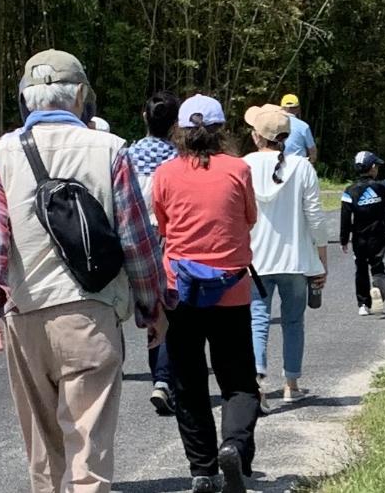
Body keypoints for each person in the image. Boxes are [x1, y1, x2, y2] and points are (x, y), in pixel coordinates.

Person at [0, 50, 167, 493]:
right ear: (81, 95)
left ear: (25, 98)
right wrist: (151, 307)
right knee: (88, 454)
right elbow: (136, 240)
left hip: (25, 313)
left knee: (44, 453)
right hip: (91, 315)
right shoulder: (113, 149)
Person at [152, 93, 261, 493]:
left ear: (179, 131)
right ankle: (233, 446)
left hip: (181, 291)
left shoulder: (165, 173)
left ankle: (202, 469)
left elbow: (162, 227)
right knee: (239, 382)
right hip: (230, 290)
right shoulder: (239, 169)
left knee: (188, 381)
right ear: (221, 131)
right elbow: (249, 217)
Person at [245, 104, 330, 411]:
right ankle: (291, 385)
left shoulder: (243, 166)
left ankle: (257, 387)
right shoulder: (302, 167)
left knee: (257, 321)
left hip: (255, 260)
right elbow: (316, 218)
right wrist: (321, 257)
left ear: (257, 137)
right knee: (294, 321)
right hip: (295, 260)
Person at [129, 91, 182, 415]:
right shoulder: (178, 160)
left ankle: (158, 380)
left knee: (150, 311)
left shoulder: (128, 154)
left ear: (144, 116)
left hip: (135, 240)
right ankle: (164, 380)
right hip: (169, 238)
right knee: (169, 313)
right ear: (176, 124)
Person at [341, 152, 385, 316]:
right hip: (378, 235)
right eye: (376, 166)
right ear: (372, 168)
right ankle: (378, 284)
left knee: (360, 268)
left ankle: (363, 304)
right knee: (377, 265)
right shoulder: (381, 186)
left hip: (359, 237)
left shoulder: (349, 191)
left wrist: (344, 239)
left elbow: (345, 217)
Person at [278, 93, 316, 163]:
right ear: (298, 109)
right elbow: (312, 151)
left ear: (282, 108)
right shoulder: (304, 126)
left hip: (279, 163)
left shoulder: (275, 124)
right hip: (298, 164)